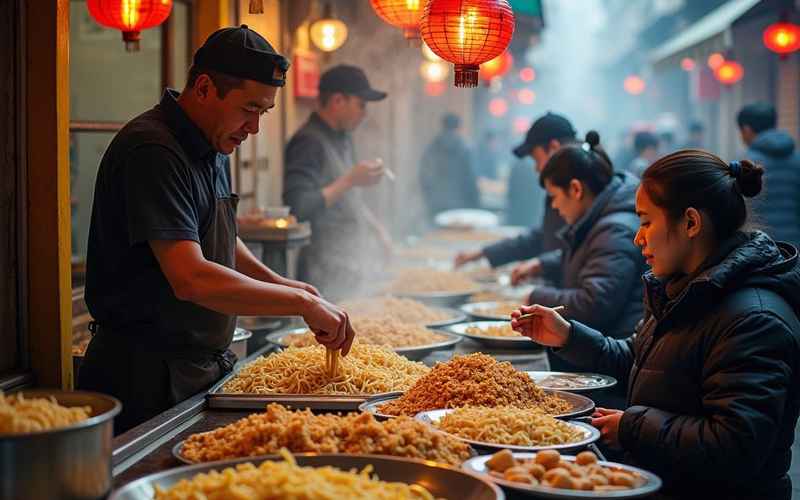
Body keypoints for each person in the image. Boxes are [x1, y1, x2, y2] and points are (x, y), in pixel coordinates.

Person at [78, 26, 355, 434]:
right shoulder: (153, 150)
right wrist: (298, 302)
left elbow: (221, 239)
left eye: (264, 113)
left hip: (198, 368)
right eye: (249, 109)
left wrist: (289, 286)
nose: (254, 127)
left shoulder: (212, 142)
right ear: (205, 88)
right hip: (146, 378)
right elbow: (190, 277)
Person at [513, 150, 800, 500]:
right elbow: (639, 360)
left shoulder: (752, 319)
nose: (638, 238)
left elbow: (736, 445)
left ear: (691, 223)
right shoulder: (684, 289)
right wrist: (568, 335)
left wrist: (632, 428)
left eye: (646, 222)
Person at [283, 65, 392, 298]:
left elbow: (349, 198)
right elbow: (298, 207)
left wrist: (376, 229)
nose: (364, 114)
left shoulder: (342, 138)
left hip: (349, 264)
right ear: (338, 100)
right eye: (361, 105)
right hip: (322, 271)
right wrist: (350, 179)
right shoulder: (308, 141)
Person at [530, 131, 644, 341]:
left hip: (611, 349)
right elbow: (589, 256)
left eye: (554, 196)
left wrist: (534, 296)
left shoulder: (615, 230)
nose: (554, 205)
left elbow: (594, 304)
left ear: (575, 189)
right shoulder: (600, 218)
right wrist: (542, 264)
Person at [454, 112, 575, 278]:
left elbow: (584, 261)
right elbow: (545, 237)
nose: (537, 169)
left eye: (536, 159)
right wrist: (484, 253)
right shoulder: (563, 184)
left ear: (553, 148)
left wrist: (540, 269)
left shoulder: (579, 189)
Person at [738, 102, 800, 247]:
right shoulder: (797, 160)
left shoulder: (745, 164)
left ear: (746, 130)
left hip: (761, 249)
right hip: (795, 247)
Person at [418, 113, 481, 219]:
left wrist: (429, 196)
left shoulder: (432, 148)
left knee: (437, 233)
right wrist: (475, 203)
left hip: (436, 203)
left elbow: (424, 175)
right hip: (459, 204)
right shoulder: (465, 148)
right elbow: (470, 178)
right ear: (459, 127)